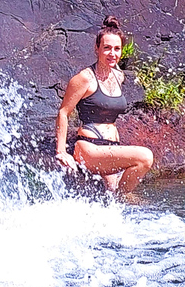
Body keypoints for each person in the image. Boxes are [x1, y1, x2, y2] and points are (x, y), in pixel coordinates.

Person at [55, 16, 154, 193]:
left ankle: (122, 201)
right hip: (89, 148)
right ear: (97, 49)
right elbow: (63, 112)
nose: (112, 54)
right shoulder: (84, 78)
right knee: (145, 157)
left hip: (110, 147)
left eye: (117, 49)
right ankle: (124, 198)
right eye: (107, 48)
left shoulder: (118, 76)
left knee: (113, 195)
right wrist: (61, 151)